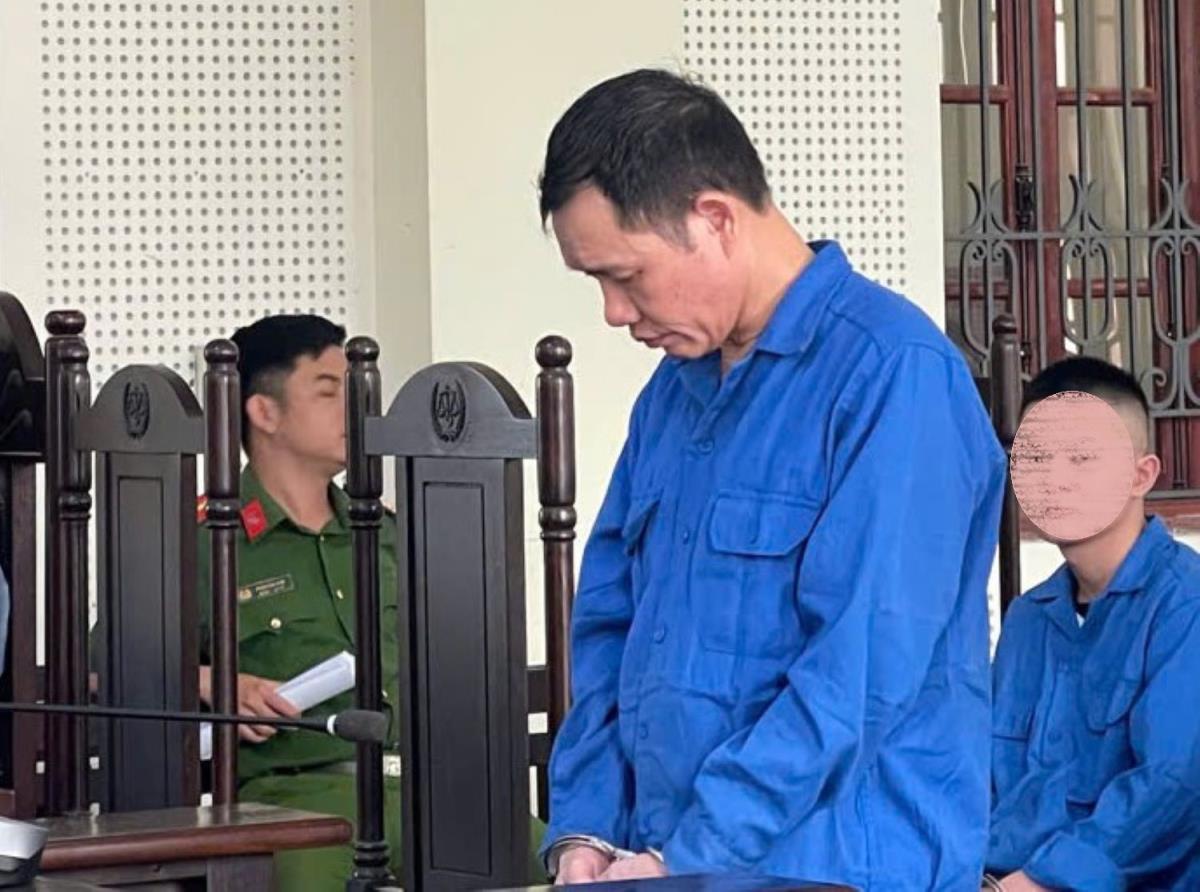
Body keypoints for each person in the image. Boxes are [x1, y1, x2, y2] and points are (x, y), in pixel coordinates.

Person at [537, 69, 1006, 889]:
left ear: (715, 219)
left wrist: (691, 853)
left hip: (839, 869)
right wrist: (589, 829)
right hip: (664, 863)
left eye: (626, 275)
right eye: (595, 283)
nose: (614, 312)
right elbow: (608, 629)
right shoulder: (673, 396)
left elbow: (857, 673)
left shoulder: (894, 376)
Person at [196, 313, 404, 889]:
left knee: (569, 869)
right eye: (329, 392)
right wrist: (216, 682)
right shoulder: (208, 541)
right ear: (264, 413)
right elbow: (98, 669)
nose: (354, 410)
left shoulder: (387, 533)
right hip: (295, 804)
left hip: (425, 789)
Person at [985, 356, 1200, 891]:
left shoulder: (1184, 604)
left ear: (1141, 474)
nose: (1054, 479)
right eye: (1037, 457)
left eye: (1081, 457)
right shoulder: (1027, 619)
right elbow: (979, 773)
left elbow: (1174, 782)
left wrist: (1041, 880)